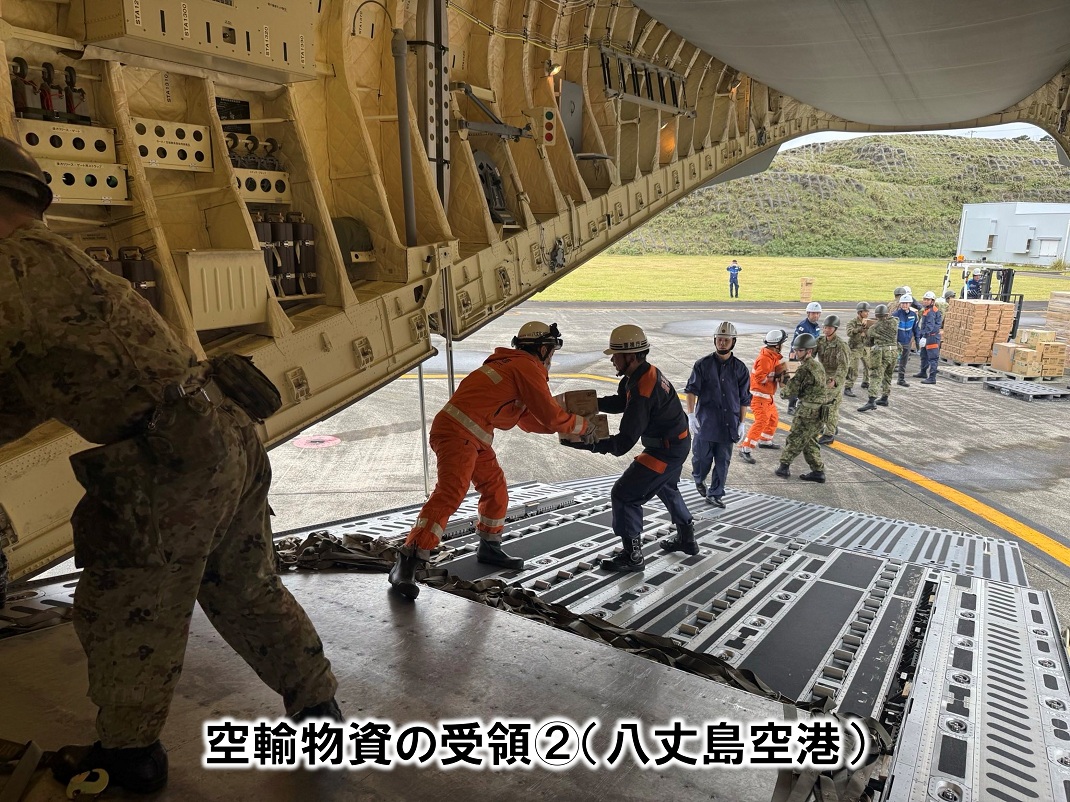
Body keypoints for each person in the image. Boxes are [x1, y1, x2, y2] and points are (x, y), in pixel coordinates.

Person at [0, 137, 340, 794]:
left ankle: (129, 757)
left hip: (168, 461)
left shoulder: (9, 266)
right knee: (246, 587)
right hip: (222, 430)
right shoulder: (58, 260)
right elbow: (19, 393)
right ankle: (318, 709)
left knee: (127, 603)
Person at [388, 321, 593, 598]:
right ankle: (409, 559)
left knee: (495, 488)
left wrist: (567, 428)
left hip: (474, 435)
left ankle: (489, 547)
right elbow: (550, 416)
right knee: (451, 493)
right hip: (457, 433)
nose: (551, 360)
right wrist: (582, 426)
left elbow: (529, 421)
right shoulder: (526, 367)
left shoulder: (511, 366)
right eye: (551, 353)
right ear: (543, 349)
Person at [561, 325, 696, 568]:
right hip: (677, 443)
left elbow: (623, 443)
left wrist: (590, 444)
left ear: (631, 357)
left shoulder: (643, 389)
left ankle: (632, 556)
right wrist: (591, 405)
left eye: (616, 355)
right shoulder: (642, 374)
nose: (612, 359)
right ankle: (687, 539)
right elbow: (622, 402)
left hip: (665, 450)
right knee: (665, 486)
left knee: (624, 494)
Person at [684, 321, 751, 507]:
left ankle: (715, 494)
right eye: (720, 339)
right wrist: (691, 415)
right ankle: (699, 478)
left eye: (726, 340)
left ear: (733, 342)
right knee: (700, 459)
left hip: (728, 424)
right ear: (715, 341)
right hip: (706, 423)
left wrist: (742, 422)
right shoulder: (702, 365)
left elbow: (744, 398)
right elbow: (691, 391)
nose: (722, 343)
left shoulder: (740, 369)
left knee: (722, 462)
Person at [774, 333, 829, 483]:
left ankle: (783, 467)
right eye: (796, 350)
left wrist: (782, 384)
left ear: (809, 351)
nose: (797, 353)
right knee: (809, 440)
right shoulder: (818, 366)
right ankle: (818, 471)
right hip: (820, 411)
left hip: (807, 412)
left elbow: (789, 392)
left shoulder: (803, 369)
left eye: (800, 351)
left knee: (795, 438)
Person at [740, 329, 788, 462]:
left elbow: (778, 370)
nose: (783, 346)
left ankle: (765, 440)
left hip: (767, 396)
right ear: (777, 345)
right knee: (761, 421)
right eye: (782, 343)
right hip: (759, 397)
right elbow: (760, 377)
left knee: (773, 419)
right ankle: (745, 448)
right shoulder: (765, 359)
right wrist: (776, 378)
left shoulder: (773, 357)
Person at [815, 315, 851, 446]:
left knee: (831, 406)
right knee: (819, 403)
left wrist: (835, 381)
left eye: (829, 328)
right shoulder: (820, 341)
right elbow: (810, 354)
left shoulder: (841, 345)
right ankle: (830, 426)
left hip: (835, 377)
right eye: (825, 327)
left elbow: (843, 366)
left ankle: (829, 434)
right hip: (823, 376)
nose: (826, 330)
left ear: (835, 329)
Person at [857, 304, 899, 411]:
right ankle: (885, 397)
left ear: (876, 315)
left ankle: (871, 400)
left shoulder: (873, 328)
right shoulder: (894, 323)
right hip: (894, 351)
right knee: (888, 375)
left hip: (882, 353)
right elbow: (894, 319)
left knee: (876, 375)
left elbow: (868, 343)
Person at [787, 302, 822, 415]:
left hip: (808, 358)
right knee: (795, 381)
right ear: (808, 313)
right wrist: (793, 356)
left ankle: (801, 403)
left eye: (818, 313)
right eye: (813, 313)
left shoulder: (816, 327)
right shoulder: (803, 326)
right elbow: (795, 342)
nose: (816, 316)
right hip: (798, 357)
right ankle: (791, 406)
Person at [913, 291, 943, 384]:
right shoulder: (927, 310)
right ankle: (923, 372)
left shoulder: (931, 312)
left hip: (931, 337)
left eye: (927, 300)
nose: (925, 301)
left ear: (932, 301)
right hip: (927, 336)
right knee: (924, 355)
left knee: (933, 358)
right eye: (924, 299)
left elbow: (930, 325)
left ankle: (932, 377)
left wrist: (925, 336)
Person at [892, 294, 921, 386]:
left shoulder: (913, 315)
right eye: (903, 303)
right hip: (897, 342)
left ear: (910, 304)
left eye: (907, 303)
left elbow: (916, 329)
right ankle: (885, 380)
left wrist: (917, 341)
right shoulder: (895, 315)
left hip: (907, 342)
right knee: (891, 361)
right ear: (900, 304)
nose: (905, 305)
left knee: (903, 362)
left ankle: (901, 379)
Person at [843, 302, 871, 398]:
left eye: (868, 311)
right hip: (855, 348)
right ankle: (848, 387)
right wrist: (859, 329)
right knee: (853, 368)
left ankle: (866, 382)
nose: (867, 313)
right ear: (860, 312)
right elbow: (849, 332)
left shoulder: (868, 322)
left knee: (869, 365)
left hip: (865, 347)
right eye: (865, 311)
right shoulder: (852, 322)